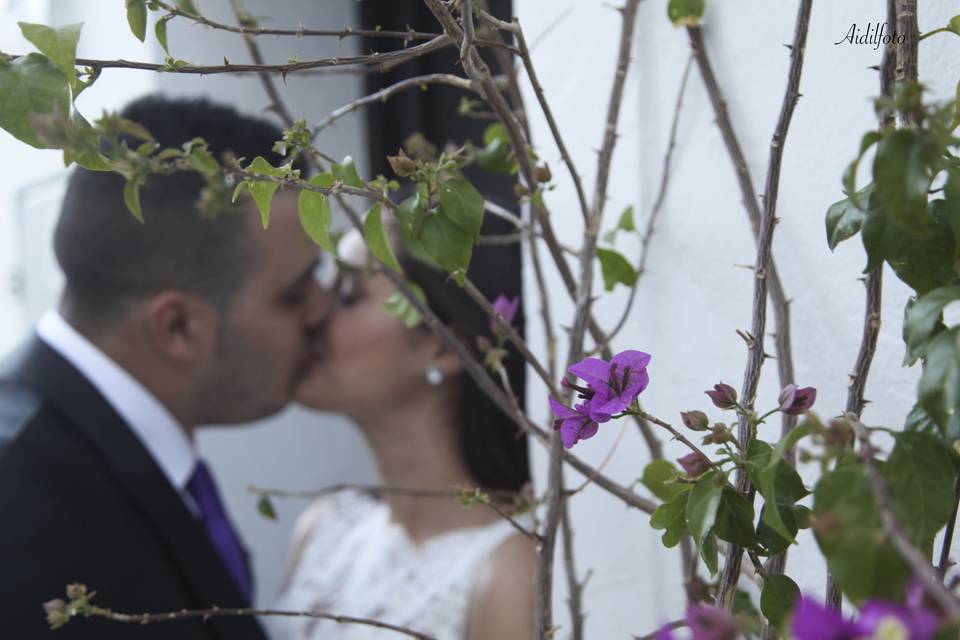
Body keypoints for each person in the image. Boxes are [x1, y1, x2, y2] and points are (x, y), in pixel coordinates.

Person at [0, 95, 330, 640]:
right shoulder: (21, 515)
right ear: (177, 327)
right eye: (295, 294)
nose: (323, 308)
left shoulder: (85, 448)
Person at [269, 211, 535, 640]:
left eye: (348, 296)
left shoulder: (509, 573)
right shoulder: (323, 531)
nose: (314, 316)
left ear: (445, 348)